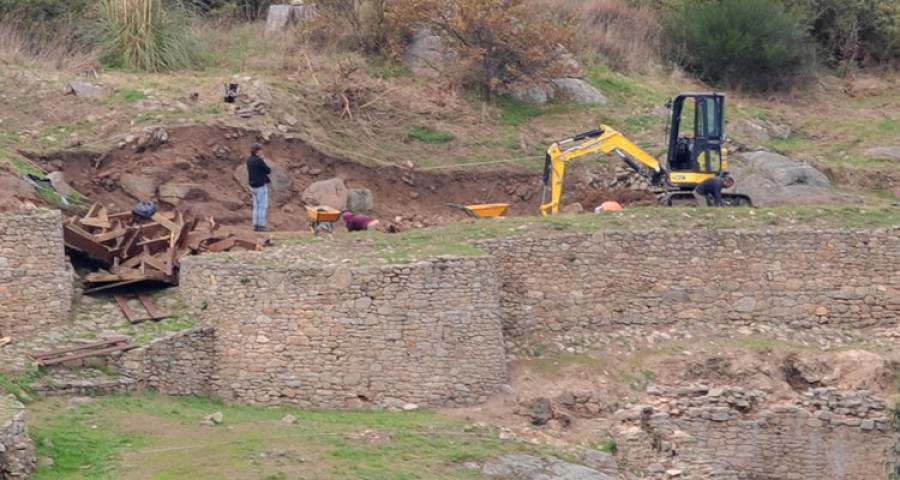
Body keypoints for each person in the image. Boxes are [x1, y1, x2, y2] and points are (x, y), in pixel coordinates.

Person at [246, 143, 272, 231]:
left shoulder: (249, 160)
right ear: (258, 151)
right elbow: (268, 170)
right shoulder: (259, 160)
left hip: (252, 185)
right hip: (260, 184)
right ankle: (261, 225)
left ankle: (255, 224)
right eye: (261, 150)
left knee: (256, 205)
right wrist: (263, 160)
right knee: (262, 206)